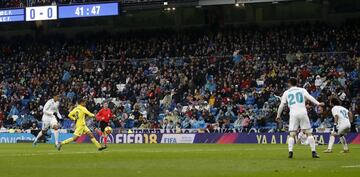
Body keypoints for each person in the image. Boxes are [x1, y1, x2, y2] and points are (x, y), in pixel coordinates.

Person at [276, 78, 324, 158]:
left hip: (293, 113)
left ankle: (290, 152)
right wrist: (318, 103)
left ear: (289, 84)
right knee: (309, 133)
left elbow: (282, 105)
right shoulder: (302, 90)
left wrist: (278, 115)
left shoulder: (286, 92)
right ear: (296, 83)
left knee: (292, 134)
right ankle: (313, 152)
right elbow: (310, 97)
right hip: (303, 112)